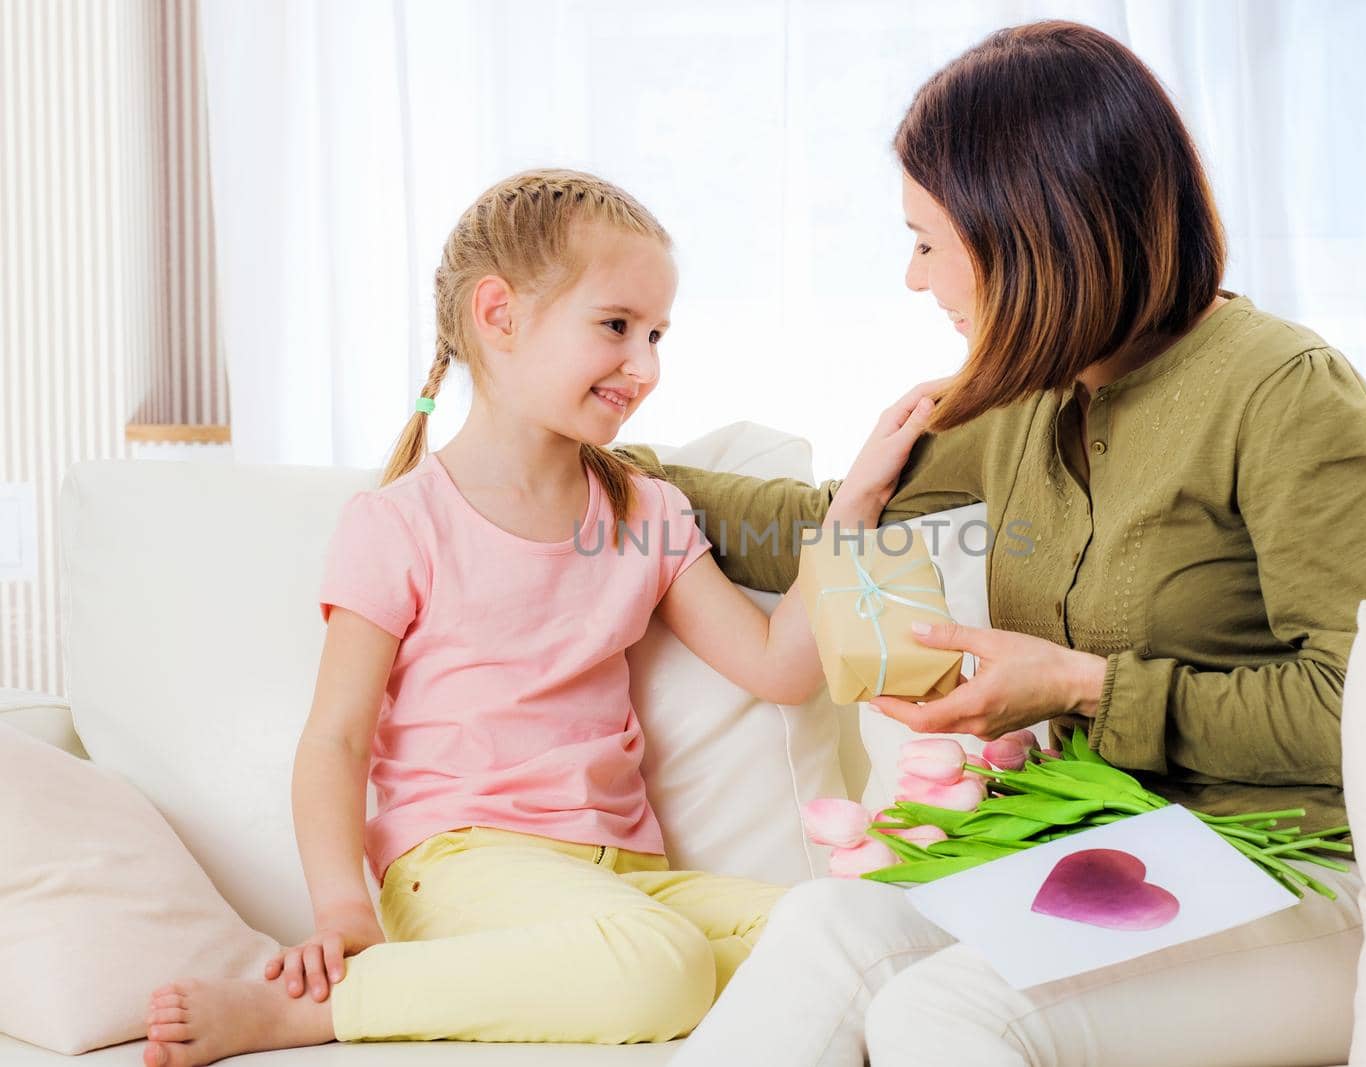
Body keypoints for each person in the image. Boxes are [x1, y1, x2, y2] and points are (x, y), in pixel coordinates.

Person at [615, 22, 1366, 1067]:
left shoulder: (1282, 390)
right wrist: (583, 456)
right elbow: (813, 521)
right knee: (825, 927)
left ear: (1028, 231)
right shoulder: (1029, 396)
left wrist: (1083, 685)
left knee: (943, 1009)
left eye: (925, 240)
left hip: (1305, 876)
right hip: (1119, 862)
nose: (915, 279)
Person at [138, 168, 937, 1067]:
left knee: (844, 928)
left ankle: (605, 965)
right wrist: (345, 913)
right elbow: (334, 740)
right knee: (657, 965)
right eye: (617, 326)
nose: (646, 365)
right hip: (463, 867)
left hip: (628, 878)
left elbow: (779, 665)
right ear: (499, 315)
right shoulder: (399, 522)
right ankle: (324, 1012)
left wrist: (857, 500)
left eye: (658, 334)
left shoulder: (647, 510)